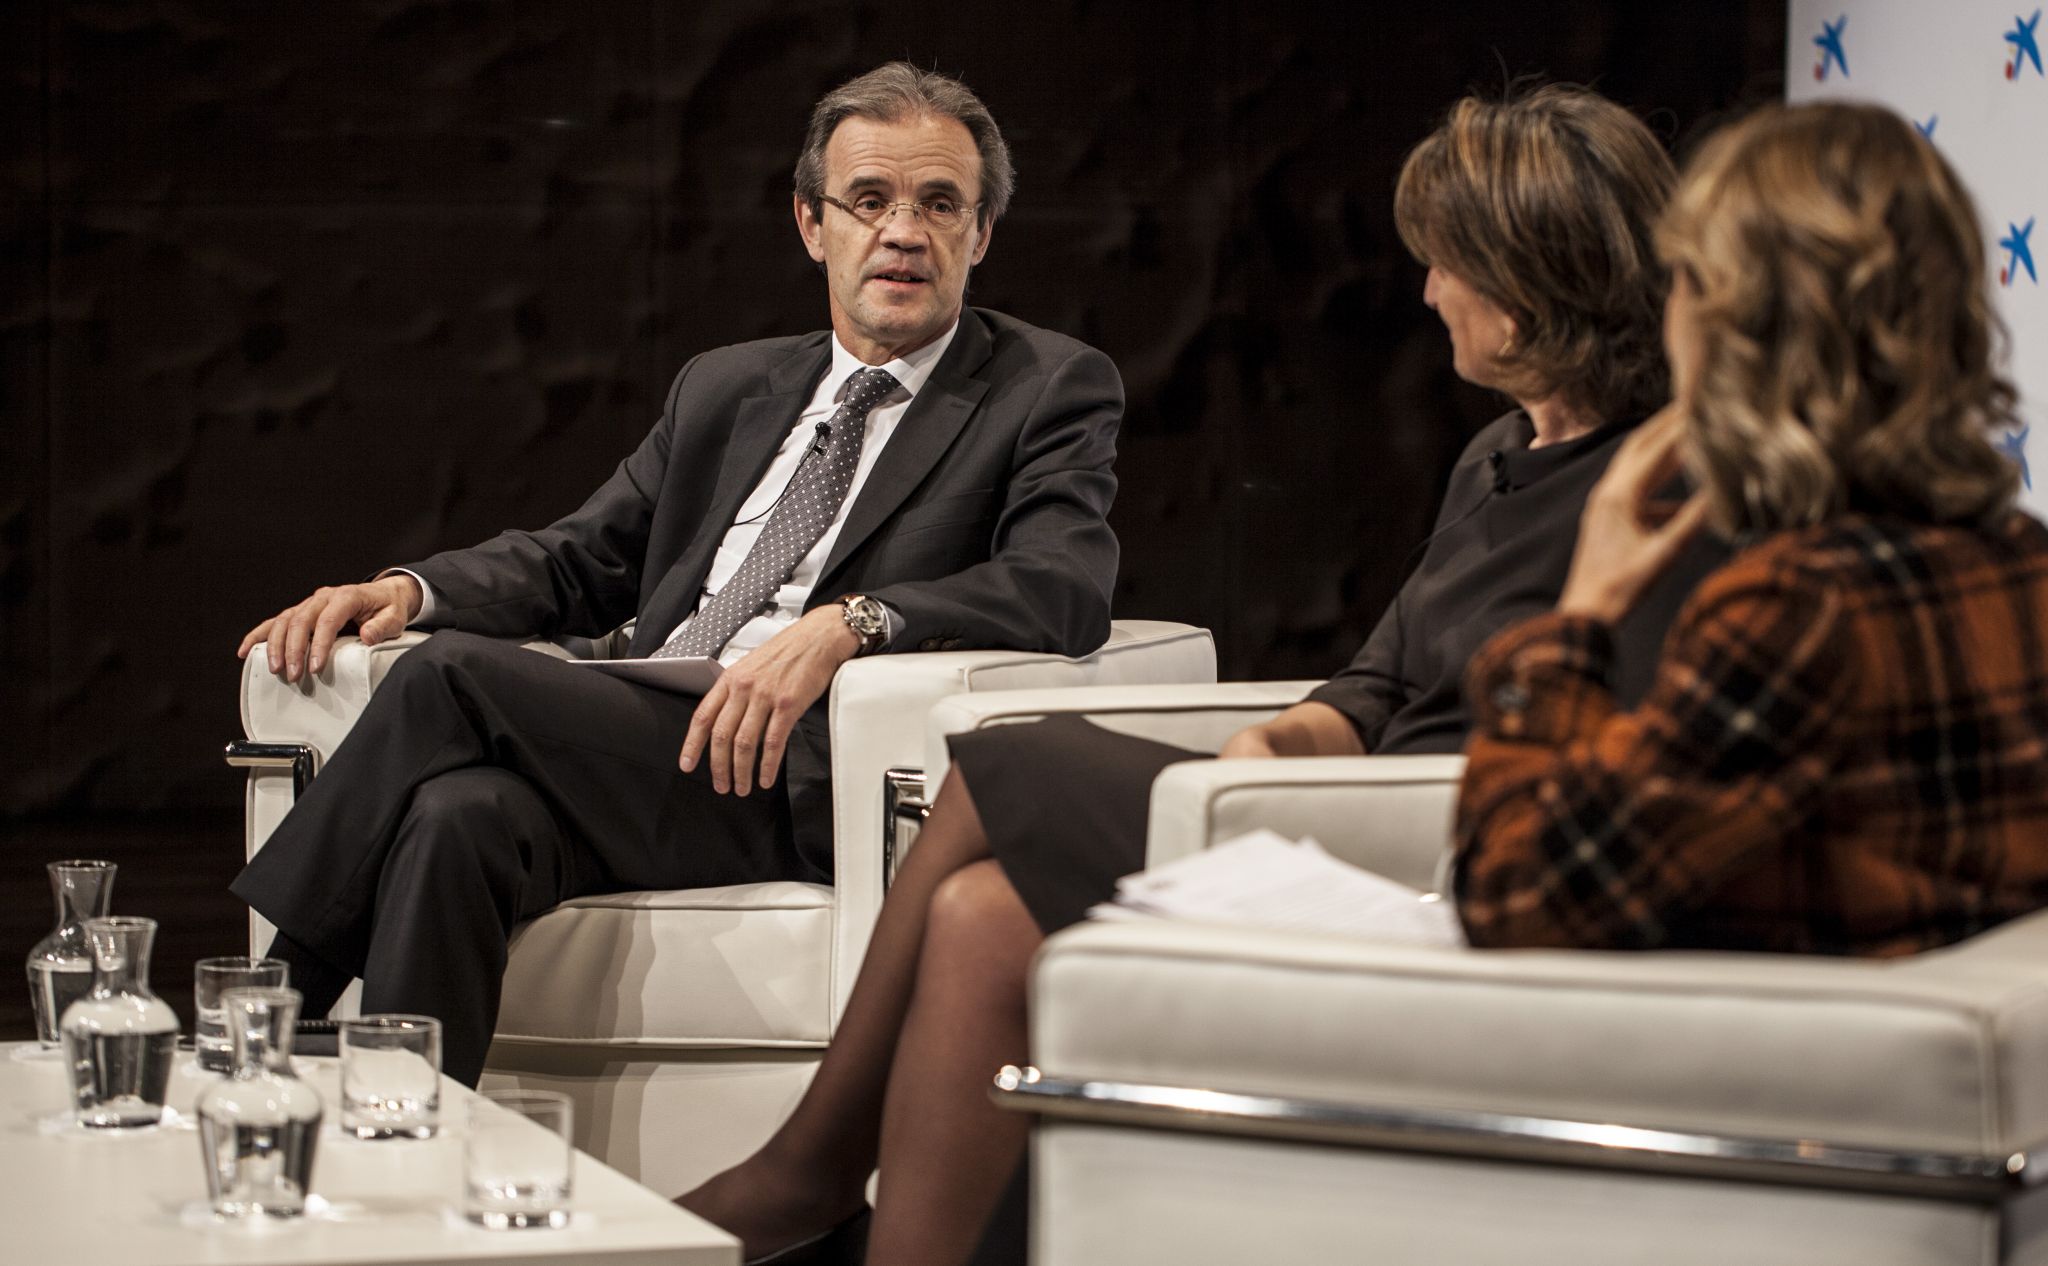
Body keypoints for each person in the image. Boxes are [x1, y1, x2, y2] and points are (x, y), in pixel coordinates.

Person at [681, 85, 1720, 1266]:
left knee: (1003, 757)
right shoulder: (1499, 454)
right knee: (984, 916)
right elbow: (1379, 680)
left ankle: (802, 1170)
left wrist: (1295, 788)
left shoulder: (1665, 484)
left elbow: (1601, 753)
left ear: (1531, 276)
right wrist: (1288, 745)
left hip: (1429, 861)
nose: (1427, 291)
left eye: (1447, 264)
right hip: (1328, 810)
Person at [228, 62, 1124, 1088]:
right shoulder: (729, 384)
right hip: (643, 731)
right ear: (810, 224)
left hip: (783, 766)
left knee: (443, 679)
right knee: (455, 821)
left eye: (939, 204)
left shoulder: (1043, 385)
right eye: (868, 201)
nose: (903, 232)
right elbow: (582, 556)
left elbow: (1064, 583)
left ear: (981, 234)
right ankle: (404, 1152)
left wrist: (854, 621)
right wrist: (409, 592)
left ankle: (269, 1013)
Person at [1455, 101, 2048, 954]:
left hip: (1761, 1075)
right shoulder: (2022, 561)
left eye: (1683, 279)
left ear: (1733, 325)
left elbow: (1513, 899)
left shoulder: (1793, 609)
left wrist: (1572, 622)